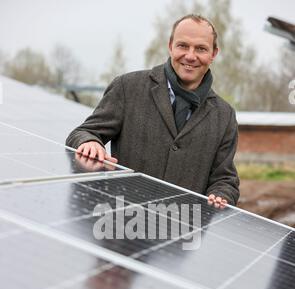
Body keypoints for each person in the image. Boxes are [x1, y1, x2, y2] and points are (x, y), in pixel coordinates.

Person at [66, 14, 240, 209]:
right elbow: (83, 133)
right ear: (170, 45)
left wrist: (222, 193)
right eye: (183, 45)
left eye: (201, 48)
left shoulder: (224, 115)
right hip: (123, 226)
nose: (190, 56)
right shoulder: (128, 87)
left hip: (182, 231)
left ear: (214, 53)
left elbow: (225, 178)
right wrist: (89, 141)